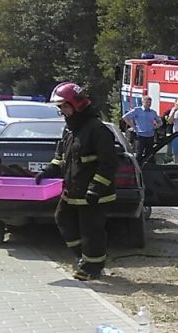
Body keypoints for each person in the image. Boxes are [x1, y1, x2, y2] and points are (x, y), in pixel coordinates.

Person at [34, 82, 117, 281]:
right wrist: (47, 171)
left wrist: (95, 189)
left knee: (92, 230)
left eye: (64, 106)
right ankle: (84, 258)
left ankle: (93, 268)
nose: (61, 111)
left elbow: (109, 163)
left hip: (94, 194)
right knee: (62, 218)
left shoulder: (97, 130)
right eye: (59, 107)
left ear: (77, 104)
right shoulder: (70, 129)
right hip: (72, 190)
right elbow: (61, 157)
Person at [122, 95, 161, 160]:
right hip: (140, 135)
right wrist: (133, 126)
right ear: (143, 102)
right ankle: (138, 168)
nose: (148, 104)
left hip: (150, 135)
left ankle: (148, 168)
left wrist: (156, 126)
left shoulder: (153, 112)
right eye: (147, 102)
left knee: (149, 155)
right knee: (139, 154)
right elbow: (125, 117)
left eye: (149, 103)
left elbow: (160, 122)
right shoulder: (137, 110)